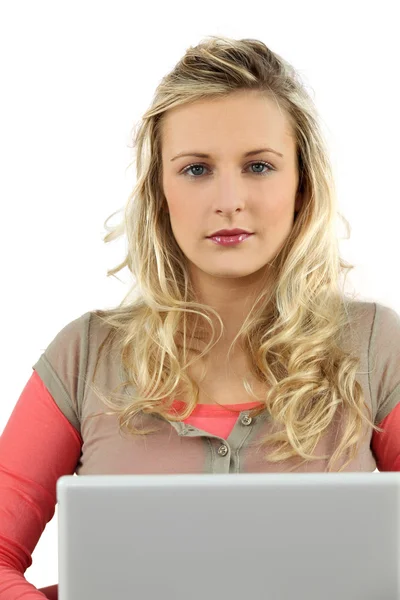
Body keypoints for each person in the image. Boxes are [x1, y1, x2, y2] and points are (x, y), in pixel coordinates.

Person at [1, 35, 399, 599]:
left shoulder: (375, 346)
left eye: (259, 166)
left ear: (302, 185)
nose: (229, 199)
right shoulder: (84, 353)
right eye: (196, 170)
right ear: (160, 190)